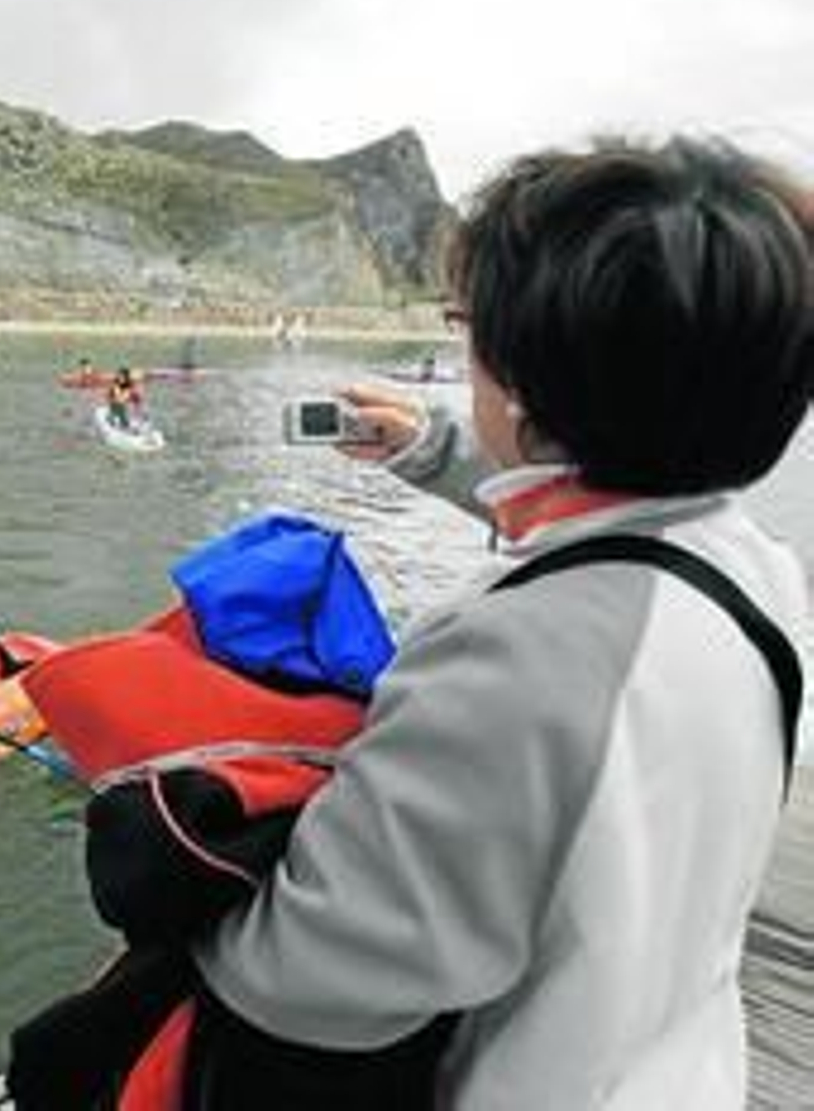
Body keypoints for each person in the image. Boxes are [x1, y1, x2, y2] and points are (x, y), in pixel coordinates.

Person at [187, 137, 812, 1107]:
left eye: (468, 327)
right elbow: (625, 535)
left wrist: (190, 889)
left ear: (524, 378)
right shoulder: (753, 570)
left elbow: (307, 985)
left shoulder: (512, 665)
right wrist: (434, 449)